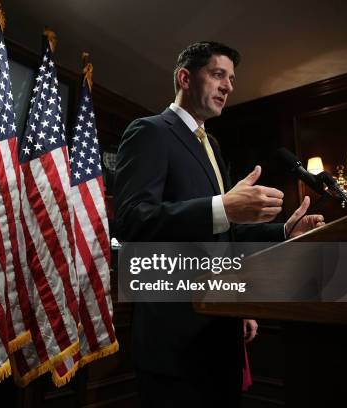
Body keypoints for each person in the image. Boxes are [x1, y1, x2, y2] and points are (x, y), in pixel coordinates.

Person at [114, 41, 324, 407]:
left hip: (221, 331)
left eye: (232, 78)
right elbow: (133, 222)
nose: (229, 86)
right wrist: (222, 207)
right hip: (175, 342)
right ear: (184, 77)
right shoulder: (149, 131)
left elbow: (225, 233)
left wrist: (285, 232)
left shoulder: (211, 145)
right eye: (217, 75)